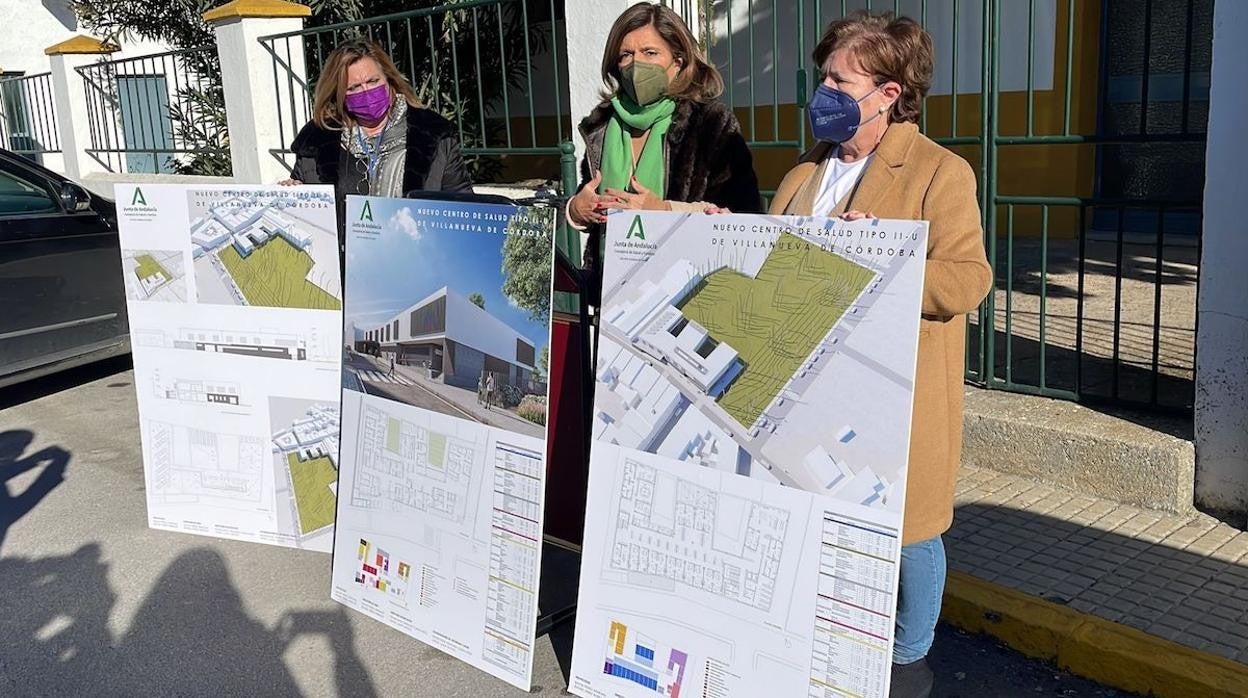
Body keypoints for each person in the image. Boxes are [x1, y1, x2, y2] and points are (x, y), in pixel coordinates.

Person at [770, 12, 992, 698]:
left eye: (841, 79)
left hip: (895, 390)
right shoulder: (805, 171)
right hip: (805, 385)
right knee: (821, 514)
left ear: (890, 92)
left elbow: (967, 279)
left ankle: (910, 655)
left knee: (908, 533)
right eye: (824, 76)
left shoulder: (939, 173)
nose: (824, 90)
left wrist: (882, 261)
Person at [567, 2, 762, 299]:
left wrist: (662, 212)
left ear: (679, 61)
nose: (636, 64)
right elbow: (587, 192)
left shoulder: (710, 124)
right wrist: (577, 210)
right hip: (611, 298)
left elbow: (741, 219)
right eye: (626, 55)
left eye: (650, 53)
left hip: (686, 296)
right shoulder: (603, 125)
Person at [283, 39, 474, 267]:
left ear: (388, 79)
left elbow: (465, 208)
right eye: (353, 88)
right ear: (338, 93)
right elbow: (306, 212)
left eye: (373, 81)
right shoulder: (315, 142)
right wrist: (292, 196)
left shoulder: (434, 135)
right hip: (343, 276)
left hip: (419, 269)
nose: (366, 91)